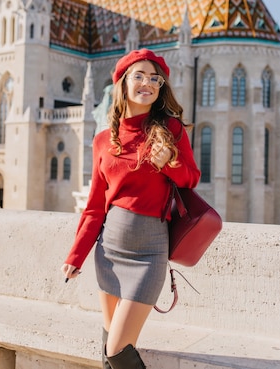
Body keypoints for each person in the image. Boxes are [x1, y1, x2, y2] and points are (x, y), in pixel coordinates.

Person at [61, 48, 200, 369]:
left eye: (155, 79)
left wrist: (169, 165)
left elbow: (191, 179)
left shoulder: (171, 130)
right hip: (108, 252)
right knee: (107, 346)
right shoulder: (102, 141)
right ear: (122, 83)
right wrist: (75, 255)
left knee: (117, 349)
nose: (148, 83)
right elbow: (95, 207)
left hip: (150, 252)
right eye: (139, 76)